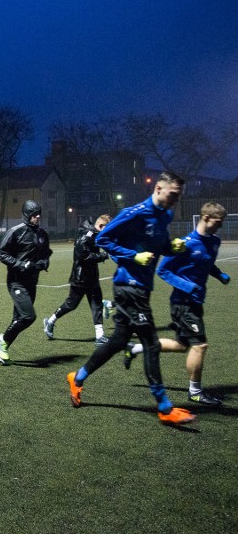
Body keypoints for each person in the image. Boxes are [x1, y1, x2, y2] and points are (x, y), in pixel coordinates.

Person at [65, 171, 196, 425]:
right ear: (158, 188)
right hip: (129, 287)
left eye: (178, 197)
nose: (174, 202)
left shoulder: (165, 214)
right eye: (172, 195)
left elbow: (157, 245)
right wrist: (132, 256)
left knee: (118, 341)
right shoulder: (134, 213)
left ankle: (77, 377)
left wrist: (171, 247)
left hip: (142, 288)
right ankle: (165, 408)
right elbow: (103, 239)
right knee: (151, 343)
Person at [124, 202, 231, 406]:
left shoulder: (215, 241)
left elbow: (206, 262)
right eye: (218, 222)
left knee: (182, 346)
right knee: (200, 345)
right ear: (206, 218)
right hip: (183, 303)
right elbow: (163, 270)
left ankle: (135, 348)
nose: (220, 226)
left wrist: (219, 275)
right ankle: (196, 392)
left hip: (196, 301)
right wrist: (186, 286)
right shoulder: (186, 243)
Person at [0, 200, 52, 364]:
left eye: (39, 213)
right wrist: (20, 264)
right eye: (34, 214)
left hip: (32, 281)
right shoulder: (15, 231)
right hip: (16, 282)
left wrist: (45, 262)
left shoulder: (42, 234)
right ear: (27, 214)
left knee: (18, 318)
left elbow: (46, 253)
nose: (38, 216)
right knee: (28, 316)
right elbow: (1, 253)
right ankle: (2, 342)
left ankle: (1, 349)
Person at [43, 214, 113, 344]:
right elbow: (83, 256)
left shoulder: (95, 234)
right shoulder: (86, 235)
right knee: (71, 304)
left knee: (97, 304)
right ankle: (50, 321)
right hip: (80, 278)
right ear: (101, 226)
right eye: (107, 229)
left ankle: (100, 336)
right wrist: (103, 256)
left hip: (92, 277)